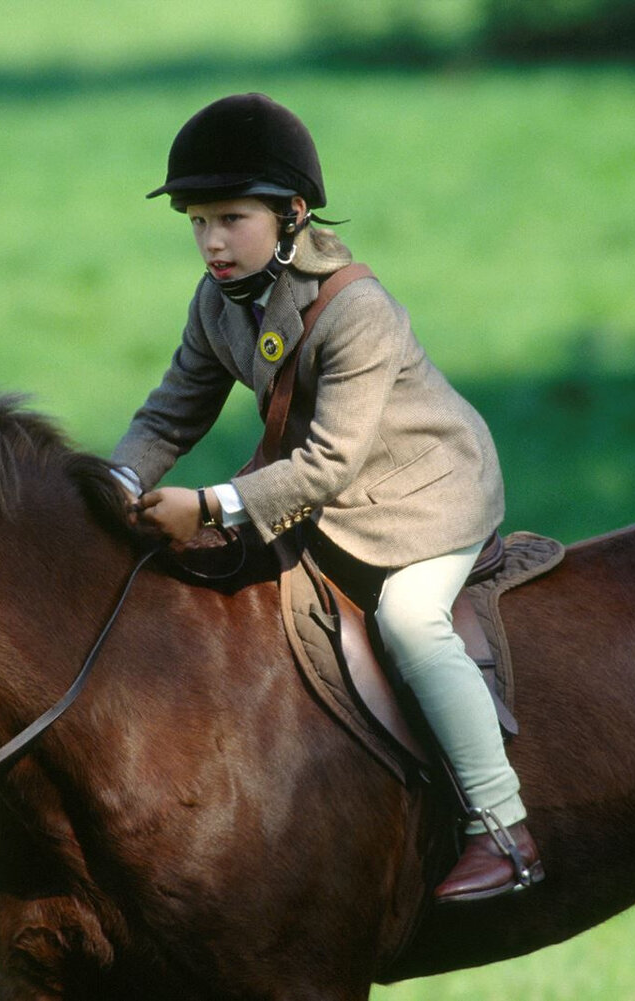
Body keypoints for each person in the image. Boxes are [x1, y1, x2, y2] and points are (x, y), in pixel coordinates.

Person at [110, 93, 543, 904]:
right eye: (197, 221)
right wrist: (113, 485)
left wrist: (207, 506)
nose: (211, 243)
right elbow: (170, 412)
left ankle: (503, 825)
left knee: (412, 624)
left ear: (293, 213)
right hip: (324, 492)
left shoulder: (358, 311)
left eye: (231, 218)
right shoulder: (216, 304)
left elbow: (327, 463)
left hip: (426, 496)